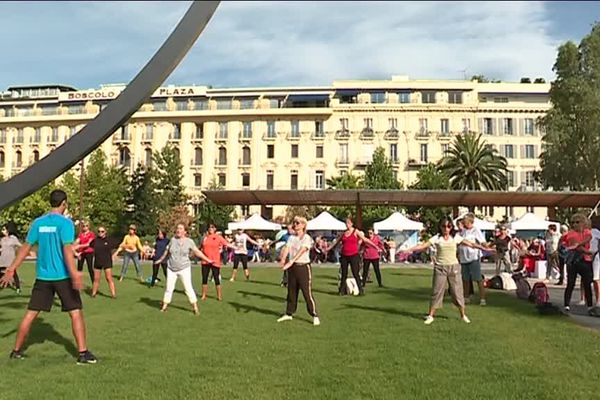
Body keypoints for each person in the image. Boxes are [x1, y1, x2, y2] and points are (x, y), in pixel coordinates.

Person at [0, 189, 97, 364]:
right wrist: (74, 272)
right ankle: (83, 353)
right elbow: (67, 249)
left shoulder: (38, 223)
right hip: (62, 276)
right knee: (75, 313)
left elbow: (25, 248)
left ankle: (16, 351)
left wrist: (11, 269)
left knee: (30, 314)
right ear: (64, 203)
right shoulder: (66, 224)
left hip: (43, 277)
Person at [402, 217, 489, 325]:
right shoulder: (437, 238)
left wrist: (484, 248)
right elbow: (423, 245)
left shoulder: (455, 237)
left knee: (457, 292)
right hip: (440, 268)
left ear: (451, 227)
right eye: (444, 226)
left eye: (449, 226)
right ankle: (430, 316)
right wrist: (409, 249)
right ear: (440, 227)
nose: (446, 229)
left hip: (454, 267)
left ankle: (463, 315)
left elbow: (471, 244)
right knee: (437, 291)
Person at [153, 223, 213, 315]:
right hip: (171, 268)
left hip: (184, 268)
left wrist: (207, 259)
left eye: (181, 228)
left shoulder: (189, 241)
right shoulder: (172, 240)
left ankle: (195, 307)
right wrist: (160, 260)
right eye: (177, 228)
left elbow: (197, 252)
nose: (178, 230)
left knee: (188, 288)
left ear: (185, 232)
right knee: (169, 288)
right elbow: (167, 251)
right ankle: (164, 306)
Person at [277, 217, 320, 326]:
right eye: (294, 223)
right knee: (291, 292)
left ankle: (314, 315)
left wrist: (291, 261)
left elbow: (302, 251)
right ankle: (289, 313)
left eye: (297, 223)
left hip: (303, 267)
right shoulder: (291, 238)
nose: (295, 225)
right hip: (293, 269)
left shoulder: (307, 238)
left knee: (306, 293)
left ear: (303, 225)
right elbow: (287, 248)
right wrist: (282, 259)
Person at [328, 217, 377, 296]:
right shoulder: (344, 233)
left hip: (354, 255)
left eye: (348, 223)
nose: (347, 225)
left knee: (355, 273)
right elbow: (336, 241)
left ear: (351, 223)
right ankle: (341, 291)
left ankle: (361, 290)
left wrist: (375, 246)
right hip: (344, 255)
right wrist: (328, 248)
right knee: (344, 274)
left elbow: (365, 239)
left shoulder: (355, 231)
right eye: (346, 223)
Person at [562, 213, 594, 314]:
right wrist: (587, 251)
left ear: (583, 223)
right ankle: (566, 304)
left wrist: (578, 245)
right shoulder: (570, 234)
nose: (575, 224)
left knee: (587, 283)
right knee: (571, 283)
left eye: (577, 222)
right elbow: (576, 246)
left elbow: (588, 239)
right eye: (573, 222)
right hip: (573, 260)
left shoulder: (587, 232)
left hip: (585, 261)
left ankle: (589, 306)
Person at [200, 224, 235, 301]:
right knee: (204, 278)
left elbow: (226, 244)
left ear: (215, 229)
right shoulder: (204, 237)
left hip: (215, 261)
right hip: (205, 260)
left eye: (212, 227)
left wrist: (236, 247)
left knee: (216, 278)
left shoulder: (218, 237)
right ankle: (203, 295)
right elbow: (200, 248)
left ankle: (219, 296)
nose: (210, 229)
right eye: (209, 227)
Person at [88, 226, 116, 298]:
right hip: (98, 261)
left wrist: (115, 255)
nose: (100, 233)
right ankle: (93, 293)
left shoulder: (109, 240)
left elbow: (115, 247)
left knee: (109, 278)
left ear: (105, 232)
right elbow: (89, 246)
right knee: (96, 279)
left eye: (102, 231)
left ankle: (113, 294)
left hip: (107, 261)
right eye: (99, 231)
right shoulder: (95, 240)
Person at [0, 223, 22, 294]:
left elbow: (20, 245)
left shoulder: (13, 238)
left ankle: (18, 287)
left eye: (4, 229)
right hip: (2, 259)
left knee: (14, 273)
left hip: (10, 260)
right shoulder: (2, 239)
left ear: (8, 230)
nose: (2, 231)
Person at [74, 220, 96, 285]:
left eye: (86, 226)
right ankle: (78, 284)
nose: (85, 227)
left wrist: (79, 246)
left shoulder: (91, 234)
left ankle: (94, 284)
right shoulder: (81, 235)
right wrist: (73, 245)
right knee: (79, 268)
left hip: (89, 252)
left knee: (90, 268)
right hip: (81, 253)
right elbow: (77, 241)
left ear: (89, 227)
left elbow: (88, 244)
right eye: (83, 226)